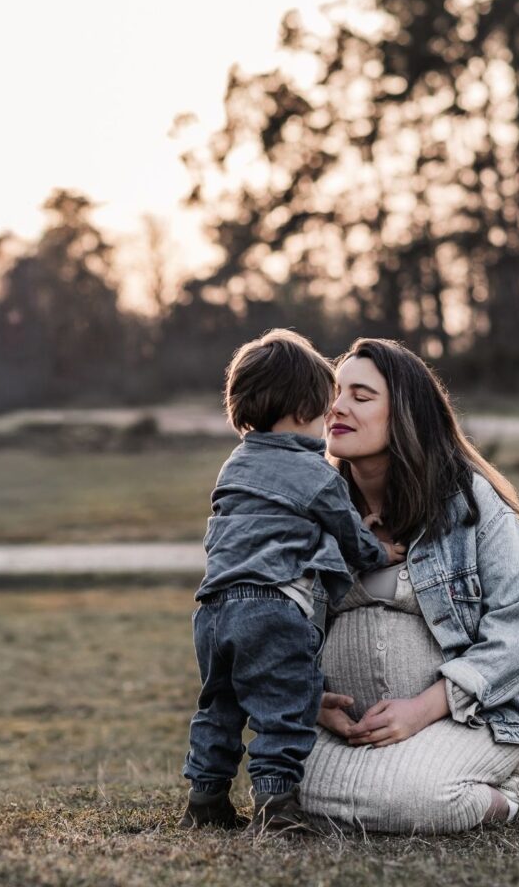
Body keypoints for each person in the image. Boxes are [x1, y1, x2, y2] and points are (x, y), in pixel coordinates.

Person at [299, 338, 519, 834]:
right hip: (346, 732)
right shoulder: (313, 510)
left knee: (412, 800)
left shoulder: (469, 504)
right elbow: (284, 620)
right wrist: (312, 699)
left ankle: (503, 796)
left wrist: (423, 708)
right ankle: (397, 788)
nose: (337, 407)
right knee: (288, 786)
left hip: (466, 719)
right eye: (335, 393)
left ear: (406, 414)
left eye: (361, 397)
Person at [181, 330, 404, 833]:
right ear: (308, 408)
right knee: (286, 707)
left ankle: (206, 799)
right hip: (273, 607)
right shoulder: (316, 473)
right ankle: (276, 807)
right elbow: (352, 537)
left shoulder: (236, 463)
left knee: (220, 706)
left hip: (214, 608)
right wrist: (381, 549)